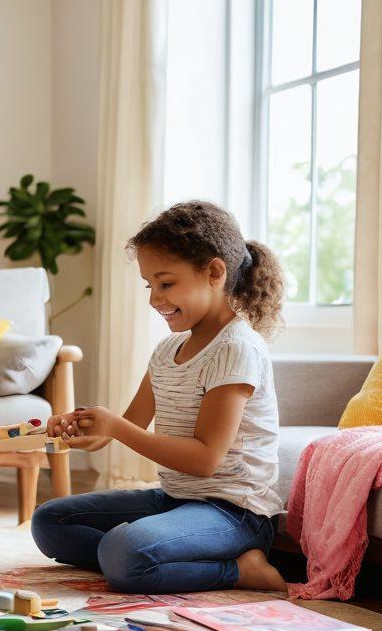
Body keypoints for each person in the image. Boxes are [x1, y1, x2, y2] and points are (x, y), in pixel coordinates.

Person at [32, 201, 288, 594]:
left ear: (215, 273)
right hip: (175, 498)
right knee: (49, 522)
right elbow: (127, 427)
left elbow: (205, 460)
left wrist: (115, 427)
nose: (155, 298)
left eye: (166, 283)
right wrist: (82, 429)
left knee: (124, 550)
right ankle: (146, 556)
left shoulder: (236, 349)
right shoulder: (167, 350)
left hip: (233, 512)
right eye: (150, 285)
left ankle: (238, 570)